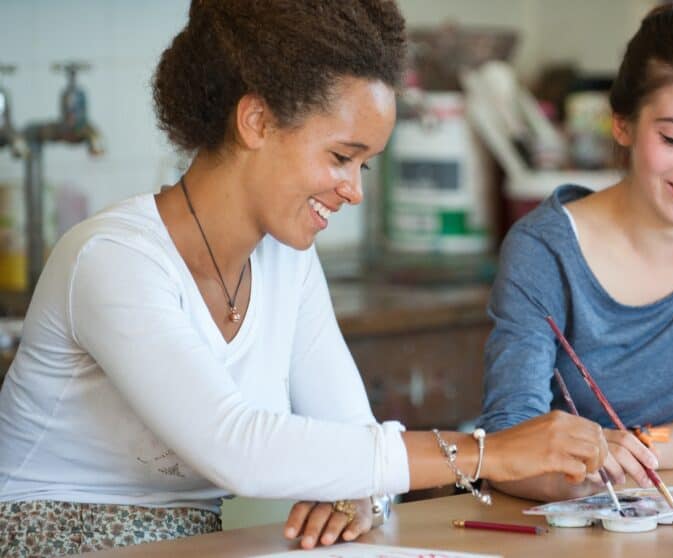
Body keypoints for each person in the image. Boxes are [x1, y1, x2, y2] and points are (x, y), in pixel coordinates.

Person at [0, 1, 608, 556]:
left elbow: (354, 437)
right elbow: (235, 446)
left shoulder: (286, 259)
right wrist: (489, 451)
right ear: (257, 121)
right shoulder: (112, 258)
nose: (355, 190)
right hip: (57, 540)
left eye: (365, 165)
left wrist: (356, 493)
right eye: (341, 157)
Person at [479, 4, 673, 502]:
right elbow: (509, 442)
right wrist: (598, 460)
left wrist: (632, 448)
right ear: (623, 125)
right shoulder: (544, 250)